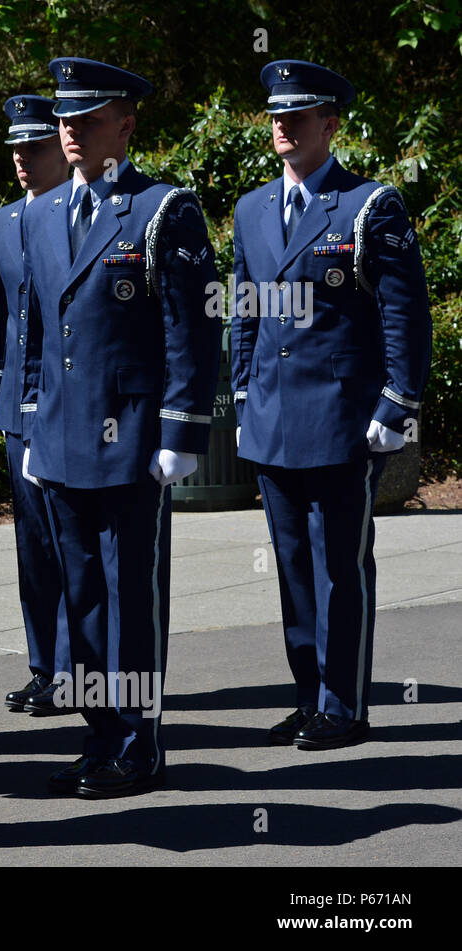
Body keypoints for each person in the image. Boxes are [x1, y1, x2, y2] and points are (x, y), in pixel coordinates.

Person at [22, 59, 219, 797]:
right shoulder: (42, 214)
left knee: (129, 597)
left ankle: (140, 744)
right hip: (65, 436)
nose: (70, 130)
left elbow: (193, 331)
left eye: (88, 118)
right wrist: (36, 424)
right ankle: (100, 734)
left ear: (125, 125)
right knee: (80, 597)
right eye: (64, 120)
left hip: (134, 433)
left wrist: (182, 432)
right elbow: (40, 332)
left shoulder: (164, 209)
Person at [231, 60, 431, 750]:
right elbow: (246, 312)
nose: (283, 124)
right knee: (291, 565)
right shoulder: (251, 209)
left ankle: (343, 703)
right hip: (272, 418)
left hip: (346, 418)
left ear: (330, 124)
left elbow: (405, 313)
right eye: (276, 114)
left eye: (299, 115)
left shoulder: (371, 204)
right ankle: (308, 695)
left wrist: (397, 400)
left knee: (339, 563)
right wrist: (240, 395)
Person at [0, 94, 75, 716]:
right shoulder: (3, 222)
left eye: (35, 147)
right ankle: (44, 663)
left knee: (72, 543)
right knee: (34, 549)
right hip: (20, 408)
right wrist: (5, 399)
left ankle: (74, 669)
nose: (23, 159)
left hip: (69, 405)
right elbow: (1, 319)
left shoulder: (80, 213)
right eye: (16, 149)